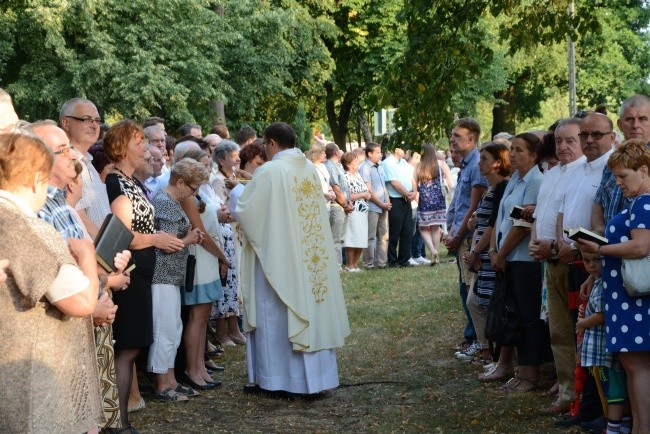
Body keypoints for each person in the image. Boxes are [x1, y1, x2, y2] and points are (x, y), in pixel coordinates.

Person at [235, 122, 350, 395]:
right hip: (309, 255)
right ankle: (315, 379)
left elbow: (246, 211)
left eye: (265, 144)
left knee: (276, 314)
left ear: (272, 143)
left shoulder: (270, 171)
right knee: (308, 308)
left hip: (279, 256)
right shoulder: (308, 168)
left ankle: (279, 380)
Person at [0, 133, 103, 433]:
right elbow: (81, 302)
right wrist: (87, 258)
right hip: (32, 379)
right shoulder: (24, 227)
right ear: (35, 179)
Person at [104, 119, 185, 433]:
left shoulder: (131, 181)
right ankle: (119, 422)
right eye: (141, 143)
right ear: (124, 147)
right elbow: (120, 235)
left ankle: (120, 418)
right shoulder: (114, 181)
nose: (148, 149)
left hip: (141, 272)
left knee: (133, 346)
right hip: (130, 272)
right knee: (127, 348)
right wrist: (156, 239)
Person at [577, 139, 650, 433]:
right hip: (629, 298)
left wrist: (598, 250)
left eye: (623, 176)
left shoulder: (644, 202)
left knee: (637, 368)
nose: (617, 182)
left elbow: (641, 246)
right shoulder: (640, 202)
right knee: (635, 368)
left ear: (644, 170)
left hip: (633, 301)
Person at [490, 133, 545, 391]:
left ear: (534, 156)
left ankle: (530, 373)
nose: (512, 154)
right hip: (508, 257)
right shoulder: (514, 179)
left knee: (528, 317)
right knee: (514, 314)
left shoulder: (536, 180)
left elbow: (522, 225)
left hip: (524, 259)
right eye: (512, 150)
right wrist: (493, 250)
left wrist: (501, 254)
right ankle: (519, 370)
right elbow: (501, 216)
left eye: (519, 150)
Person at [180, 151, 230, 389]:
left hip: (208, 260)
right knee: (196, 319)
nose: (207, 171)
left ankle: (200, 366)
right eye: (203, 166)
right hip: (199, 260)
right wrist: (223, 257)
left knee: (203, 319)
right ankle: (193, 369)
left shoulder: (199, 193)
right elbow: (201, 234)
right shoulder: (188, 197)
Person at [457, 143, 510, 363]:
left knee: (480, 301)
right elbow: (484, 220)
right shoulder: (491, 187)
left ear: (498, 162)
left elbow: (494, 223)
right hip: (483, 253)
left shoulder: (501, 188)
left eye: (484, 159)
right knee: (476, 300)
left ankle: (489, 350)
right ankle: (485, 348)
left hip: (489, 254)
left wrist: (476, 251)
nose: (480, 163)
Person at [575, 247, 630, 434]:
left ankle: (614, 428)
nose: (591, 265)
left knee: (614, 391)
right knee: (616, 389)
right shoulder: (598, 280)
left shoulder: (606, 283)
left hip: (604, 350)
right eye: (586, 260)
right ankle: (624, 425)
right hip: (600, 350)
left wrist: (583, 323)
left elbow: (601, 315)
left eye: (596, 260)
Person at [445, 118, 488, 351]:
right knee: (465, 287)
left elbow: (473, 207)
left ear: (471, 139)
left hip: (470, 236)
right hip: (461, 235)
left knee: (472, 290)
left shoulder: (477, 164)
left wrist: (459, 236)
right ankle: (473, 338)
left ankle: (477, 340)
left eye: (457, 136)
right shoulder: (466, 165)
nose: (452, 139)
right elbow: (458, 205)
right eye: (452, 135)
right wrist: (450, 231)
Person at [211, 140, 247, 347]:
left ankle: (235, 327)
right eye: (234, 156)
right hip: (227, 233)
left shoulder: (234, 177)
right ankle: (223, 330)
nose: (238, 159)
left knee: (236, 282)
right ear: (222, 159)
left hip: (237, 233)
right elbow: (221, 208)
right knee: (228, 282)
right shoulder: (218, 180)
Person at [60, 98, 111, 238]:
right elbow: (78, 215)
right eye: (86, 119)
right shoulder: (66, 163)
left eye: (97, 120)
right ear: (66, 123)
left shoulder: (88, 161)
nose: (94, 126)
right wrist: (105, 248)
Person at [415, 144, 452, 265]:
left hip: (425, 200)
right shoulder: (441, 164)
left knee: (423, 228)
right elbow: (450, 182)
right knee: (436, 228)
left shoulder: (419, 166)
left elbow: (414, 184)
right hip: (439, 200)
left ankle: (433, 251)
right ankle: (435, 254)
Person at [382, 147, 417, 267]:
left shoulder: (404, 162)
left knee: (407, 230)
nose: (406, 151)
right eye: (403, 148)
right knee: (394, 231)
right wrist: (407, 193)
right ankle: (392, 260)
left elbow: (412, 178)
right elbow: (394, 182)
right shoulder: (388, 163)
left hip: (407, 199)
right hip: (395, 199)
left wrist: (414, 191)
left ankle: (404, 259)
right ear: (396, 149)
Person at [359, 142, 391, 269]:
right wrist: (381, 204)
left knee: (384, 236)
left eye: (380, 152)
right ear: (369, 153)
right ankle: (369, 263)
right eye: (377, 152)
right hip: (372, 207)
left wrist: (387, 202)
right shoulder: (365, 168)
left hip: (383, 206)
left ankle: (382, 263)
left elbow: (384, 187)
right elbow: (369, 190)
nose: (380, 154)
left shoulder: (380, 167)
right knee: (371, 237)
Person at [342, 151, 370, 272]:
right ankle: (349, 264)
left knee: (361, 237)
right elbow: (348, 196)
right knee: (352, 237)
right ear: (348, 164)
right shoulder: (345, 176)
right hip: (353, 210)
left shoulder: (358, 175)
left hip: (363, 210)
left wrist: (366, 194)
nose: (357, 163)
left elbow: (365, 189)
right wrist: (363, 194)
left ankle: (355, 264)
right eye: (355, 161)